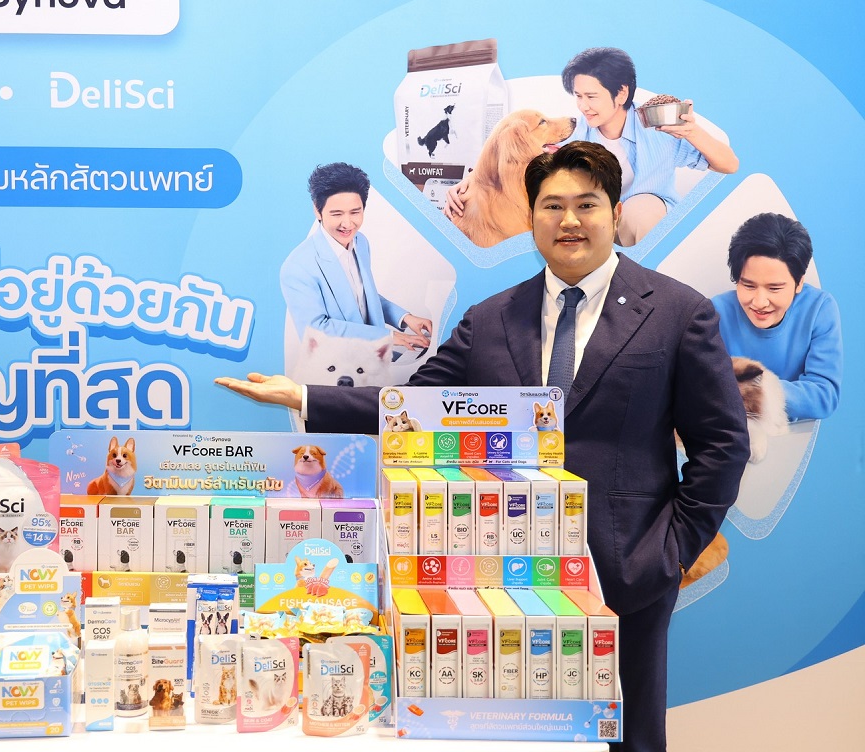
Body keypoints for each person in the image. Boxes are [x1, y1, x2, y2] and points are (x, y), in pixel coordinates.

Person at [217, 142, 749, 752]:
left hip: (623, 574)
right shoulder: (492, 319)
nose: (569, 220)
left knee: (627, 740)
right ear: (531, 216)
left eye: (587, 204)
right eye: (552, 205)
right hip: (496, 577)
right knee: (507, 736)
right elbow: (413, 407)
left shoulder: (677, 313)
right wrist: (304, 396)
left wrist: (670, 551)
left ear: (615, 211)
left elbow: (722, 445)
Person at [445, 47, 739, 247]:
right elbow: (517, 158)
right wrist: (468, 186)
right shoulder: (571, 136)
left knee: (640, 211)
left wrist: (692, 131)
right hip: (588, 229)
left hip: (640, 227)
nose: (583, 106)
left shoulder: (658, 130)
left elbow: (728, 164)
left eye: (592, 96)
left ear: (621, 93)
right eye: (578, 96)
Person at [281, 162, 433, 353]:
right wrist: (387, 336)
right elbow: (315, 330)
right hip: (336, 365)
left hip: (374, 359)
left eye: (355, 212)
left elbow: (362, 297)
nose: (347, 223)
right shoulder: (297, 266)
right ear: (317, 211)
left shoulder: (361, 242)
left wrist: (405, 318)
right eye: (337, 214)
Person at [713, 212, 842, 420]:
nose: (759, 302)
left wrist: (758, 387)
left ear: (799, 283)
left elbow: (823, 396)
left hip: (794, 433)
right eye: (748, 285)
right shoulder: (715, 312)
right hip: (732, 431)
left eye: (774, 288)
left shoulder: (819, 308)